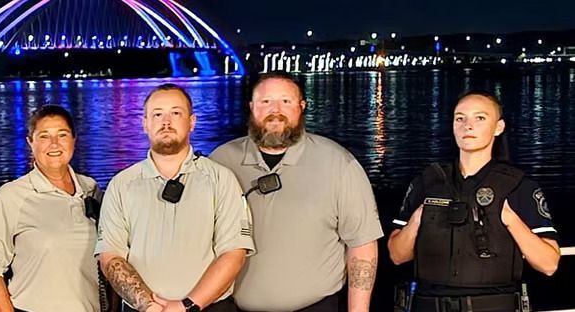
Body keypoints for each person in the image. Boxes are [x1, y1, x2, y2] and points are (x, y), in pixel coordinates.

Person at [210, 72, 383, 312]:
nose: (275, 110)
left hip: (317, 307)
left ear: (302, 107)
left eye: (286, 101)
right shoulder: (220, 161)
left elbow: (362, 245)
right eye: (265, 101)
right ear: (251, 107)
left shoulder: (339, 164)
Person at [387, 90, 560, 311]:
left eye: (480, 118)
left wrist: (509, 220)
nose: (467, 126)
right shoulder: (426, 183)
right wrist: (417, 219)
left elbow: (549, 264)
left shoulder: (519, 187)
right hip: (429, 303)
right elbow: (397, 256)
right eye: (460, 118)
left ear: (498, 127)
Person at [95, 83, 254, 312]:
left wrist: (187, 305)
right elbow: (111, 256)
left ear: (192, 122)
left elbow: (234, 253)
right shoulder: (121, 185)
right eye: (157, 114)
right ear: (145, 124)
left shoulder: (221, 179)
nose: (166, 122)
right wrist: (149, 305)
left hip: (209, 308)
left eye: (176, 113)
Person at [0, 105, 106, 312]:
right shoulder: (11, 196)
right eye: (44, 136)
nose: (54, 144)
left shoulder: (91, 189)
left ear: (73, 141)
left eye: (62, 135)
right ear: (30, 143)